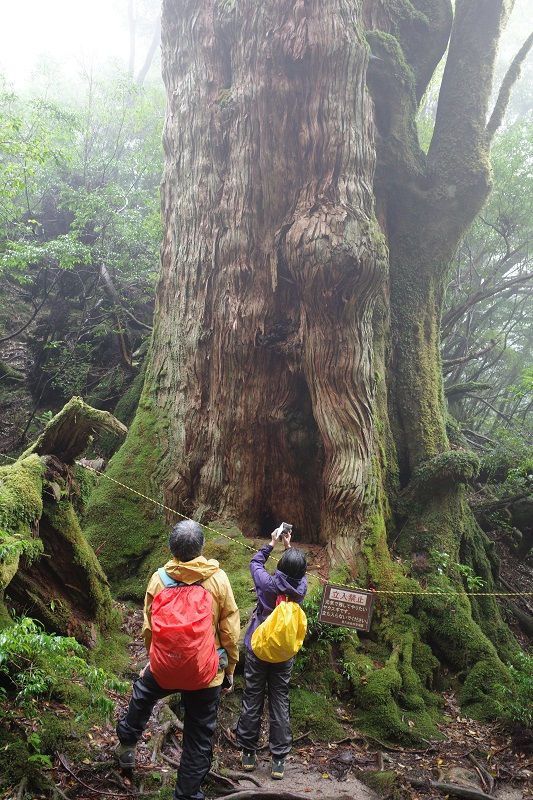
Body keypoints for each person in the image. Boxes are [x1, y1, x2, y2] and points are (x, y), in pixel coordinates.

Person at [116, 519, 240, 800]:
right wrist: (229, 669)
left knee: (143, 692)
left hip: (165, 666)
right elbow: (229, 630)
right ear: (201, 547)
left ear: (171, 548)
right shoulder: (218, 580)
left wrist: (153, 658)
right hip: (206, 672)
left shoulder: (159, 579)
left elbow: (149, 627)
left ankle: (126, 743)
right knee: (198, 736)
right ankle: (186, 795)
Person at [235, 525, 308, 780]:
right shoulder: (301, 590)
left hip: (258, 647)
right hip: (284, 653)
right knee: (279, 699)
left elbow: (256, 562)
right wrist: (290, 548)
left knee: (253, 695)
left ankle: (248, 753)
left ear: (280, 567)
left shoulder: (267, 584)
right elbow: (299, 575)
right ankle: (278, 760)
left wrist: (273, 543)